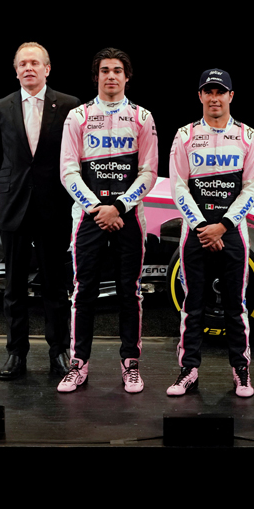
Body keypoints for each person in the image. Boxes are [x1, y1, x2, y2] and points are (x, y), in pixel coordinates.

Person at [57, 47, 158, 393]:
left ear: (127, 76)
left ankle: (130, 364)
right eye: (105, 70)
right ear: (96, 76)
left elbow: (149, 172)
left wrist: (120, 207)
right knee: (83, 291)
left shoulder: (142, 117)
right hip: (89, 217)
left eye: (117, 70)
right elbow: (68, 171)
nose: (111, 76)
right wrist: (98, 209)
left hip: (129, 217)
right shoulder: (78, 116)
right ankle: (78, 364)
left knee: (130, 292)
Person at [0, 42, 81, 381]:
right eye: (23, 64)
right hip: (13, 206)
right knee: (14, 287)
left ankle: (59, 353)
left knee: (55, 286)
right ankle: (16, 354)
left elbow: (75, 156)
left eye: (35, 63)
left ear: (47, 69)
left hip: (53, 207)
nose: (29, 68)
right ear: (16, 71)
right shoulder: (0, 108)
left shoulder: (69, 106)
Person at [168, 68, 254, 398]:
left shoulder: (248, 135)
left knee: (236, 305)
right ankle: (188, 370)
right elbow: (178, 186)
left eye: (220, 91)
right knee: (192, 304)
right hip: (195, 232)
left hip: (232, 232)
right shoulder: (184, 135)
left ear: (230, 96)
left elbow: (251, 188)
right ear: (200, 96)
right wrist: (201, 227)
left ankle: (241, 370)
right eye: (208, 91)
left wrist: (223, 226)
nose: (214, 97)